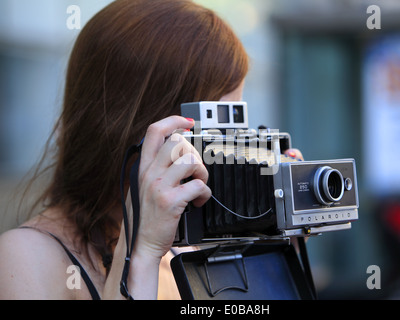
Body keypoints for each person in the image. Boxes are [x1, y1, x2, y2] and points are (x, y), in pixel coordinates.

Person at [0, 0, 302, 300]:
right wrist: (140, 255)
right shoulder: (26, 258)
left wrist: (278, 246)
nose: (225, 154)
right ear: (140, 126)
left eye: (236, 134)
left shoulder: (182, 246)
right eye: (214, 135)